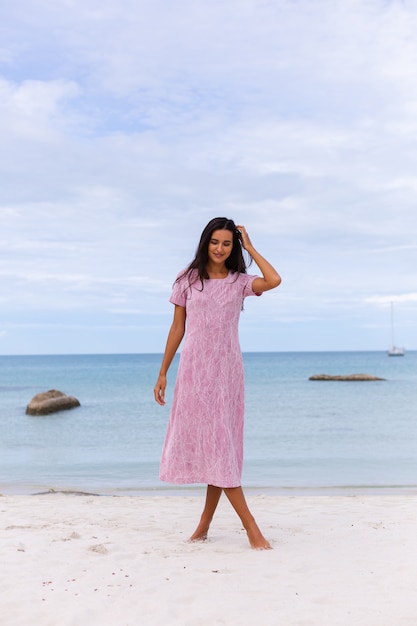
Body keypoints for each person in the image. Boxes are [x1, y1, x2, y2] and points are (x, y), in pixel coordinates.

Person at [154, 217, 281, 549]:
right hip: (195, 373)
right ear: (205, 242)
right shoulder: (188, 280)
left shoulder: (240, 282)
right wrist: (163, 371)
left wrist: (250, 247)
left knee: (220, 448)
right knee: (216, 448)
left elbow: (274, 280)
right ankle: (249, 528)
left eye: (227, 243)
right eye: (215, 242)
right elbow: (177, 329)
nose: (220, 249)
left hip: (227, 376)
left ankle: (205, 526)